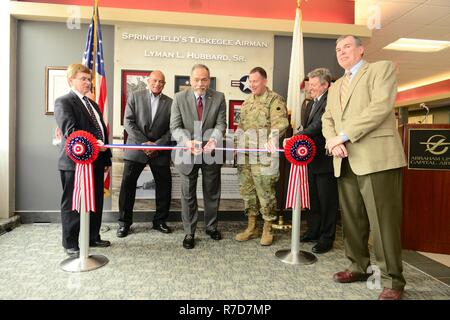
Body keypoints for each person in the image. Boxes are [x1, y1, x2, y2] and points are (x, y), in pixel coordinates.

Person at [322, 35, 407, 300]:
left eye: (347, 46)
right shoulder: (335, 86)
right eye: (337, 49)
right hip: (344, 158)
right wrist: (332, 141)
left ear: (361, 49)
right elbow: (327, 118)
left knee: (383, 223)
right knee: (351, 219)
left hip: (377, 158)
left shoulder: (380, 69)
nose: (341, 51)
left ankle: (393, 280)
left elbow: (380, 107)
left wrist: (343, 136)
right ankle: (358, 266)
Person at [54, 63, 112, 258]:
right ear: (71, 80)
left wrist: (106, 159)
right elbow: (71, 132)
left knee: (95, 200)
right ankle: (70, 242)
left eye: (89, 79)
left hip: (96, 161)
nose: (88, 83)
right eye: (83, 79)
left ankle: (92, 237)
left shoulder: (93, 104)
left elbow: (102, 132)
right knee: (73, 203)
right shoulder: (64, 102)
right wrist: (95, 143)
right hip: (75, 164)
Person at [170, 64, 227, 249]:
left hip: (211, 153)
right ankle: (189, 232)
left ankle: (211, 227)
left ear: (208, 80)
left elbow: (221, 124)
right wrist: (187, 142)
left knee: (212, 192)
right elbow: (175, 127)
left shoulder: (219, 97)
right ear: (190, 79)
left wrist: (214, 140)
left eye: (204, 80)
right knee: (188, 195)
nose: (200, 84)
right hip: (187, 153)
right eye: (196, 80)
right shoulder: (179, 98)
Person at [285, 68, 339, 254]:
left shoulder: (331, 101)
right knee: (313, 199)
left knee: (327, 201)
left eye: (314, 85)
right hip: (310, 159)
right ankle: (314, 231)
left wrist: (296, 137)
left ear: (325, 85)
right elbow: (308, 125)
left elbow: (319, 126)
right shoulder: (309, 104)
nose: (310, 88)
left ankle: (326, 238)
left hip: (325, 160)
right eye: (309, 85)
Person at [234, 67, 289, 246]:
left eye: (255, 81)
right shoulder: (247, 101)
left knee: (265, 192)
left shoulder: (274, 99)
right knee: (247, 192)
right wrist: (235, 145)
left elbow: (281, 123)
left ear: (265, 81)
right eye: (250, 81)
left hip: (264, 156)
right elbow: (240, 126)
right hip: (246, 156)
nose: (252, 85)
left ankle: (268, 227)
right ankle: (251, 227)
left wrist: (272, 138)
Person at [116, 70, 173, 238]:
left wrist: (156, 145)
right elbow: (128, 122)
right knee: (127, 186)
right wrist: (144, 143)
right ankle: (124, 223)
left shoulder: (170, 103)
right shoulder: (135, 96)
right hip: (136, 147)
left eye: (161, 82)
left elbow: (172, 128)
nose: (157, 84)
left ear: (164, 84)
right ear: (148, 81)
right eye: (154, 80)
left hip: (160, 150)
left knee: (164, 187)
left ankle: (160, 221)